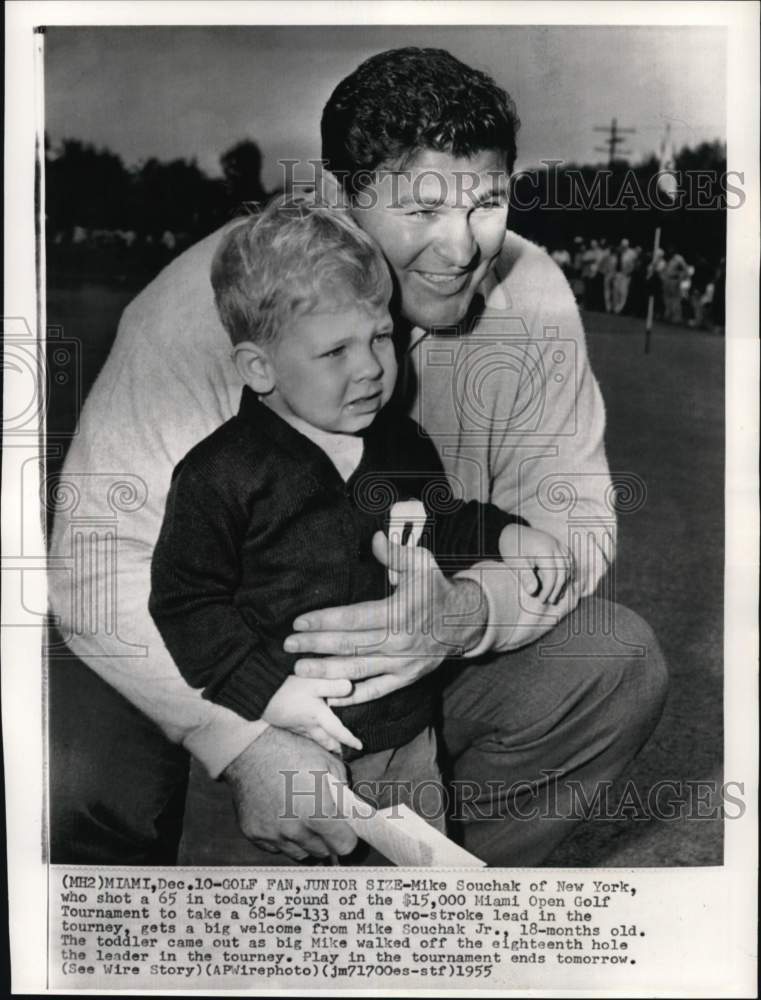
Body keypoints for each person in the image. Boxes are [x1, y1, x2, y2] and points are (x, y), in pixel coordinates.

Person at [48, 46, 667, 867]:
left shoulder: (533, 291)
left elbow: (573, 518)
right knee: (74, 767)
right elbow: (94, 562)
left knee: (613, 664)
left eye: (485, 202)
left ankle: (420, 914)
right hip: (201, 632)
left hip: (403, 650)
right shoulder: (205, 307)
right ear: (339, 198)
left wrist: (467, 614)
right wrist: (241, 739)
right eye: (419, 211)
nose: (461, 247)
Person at [148, 198, 570, 860]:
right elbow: (184, 602)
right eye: (335, 350)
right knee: (273, 938)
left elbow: (444, 522)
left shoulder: (400, 443)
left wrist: (504, 534)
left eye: (379, 337)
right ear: (259, 368)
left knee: (420, 910)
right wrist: (267, 695)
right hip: (283, 744)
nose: (370, 367)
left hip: (405, 736)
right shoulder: (220, 473)